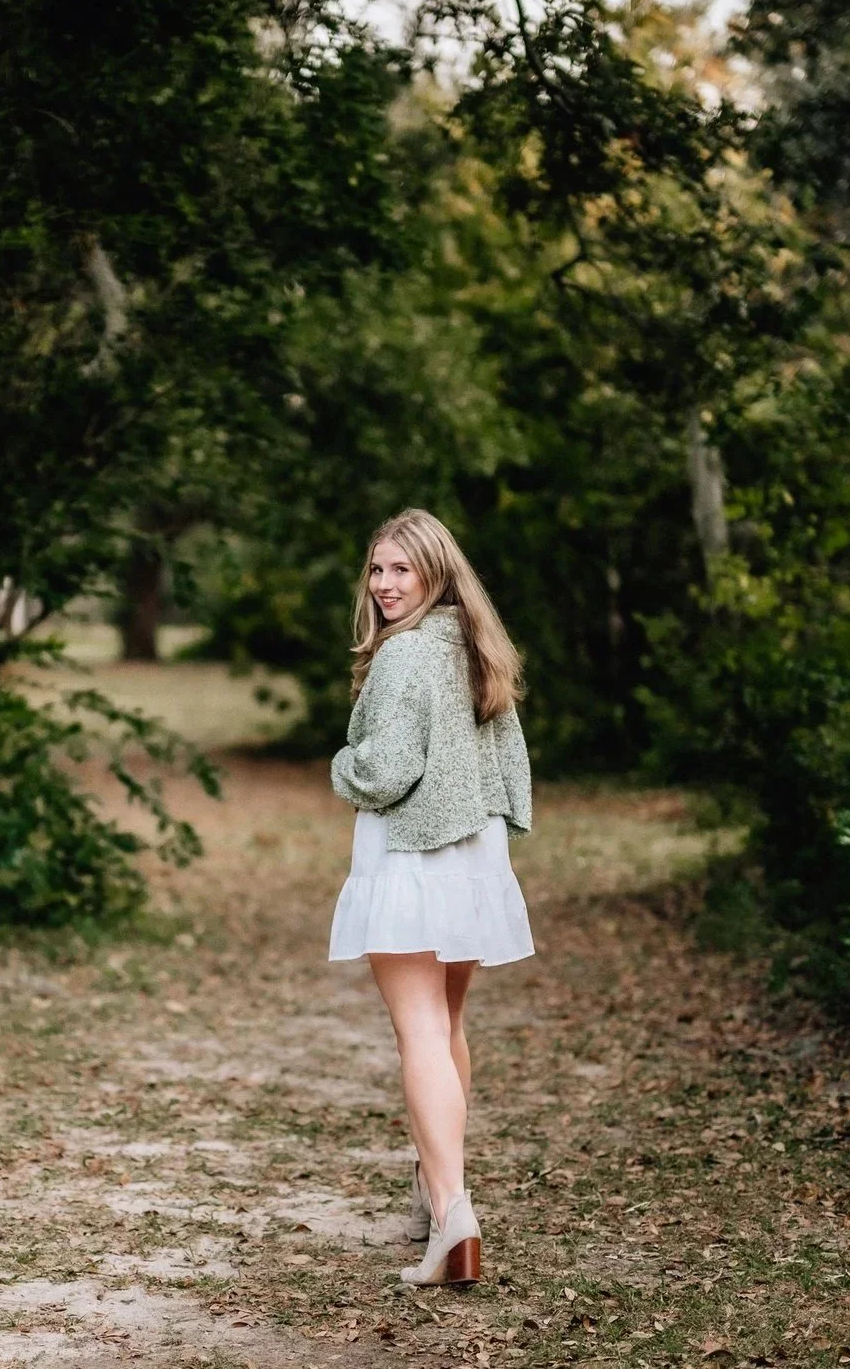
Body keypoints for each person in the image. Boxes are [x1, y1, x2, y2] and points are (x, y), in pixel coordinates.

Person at [327, 507, 534, 1287]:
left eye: (400, 569)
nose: (383, 584)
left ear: (436, 573)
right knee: (446, 1024)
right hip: (474, 854)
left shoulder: (407, 657)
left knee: (418, 1030)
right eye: (376, 569)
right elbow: (509, 762)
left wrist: (341, 766)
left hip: (412, 853)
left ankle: (452, 1211)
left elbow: (383, 771)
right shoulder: (479, 649)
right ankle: (431, 1183)